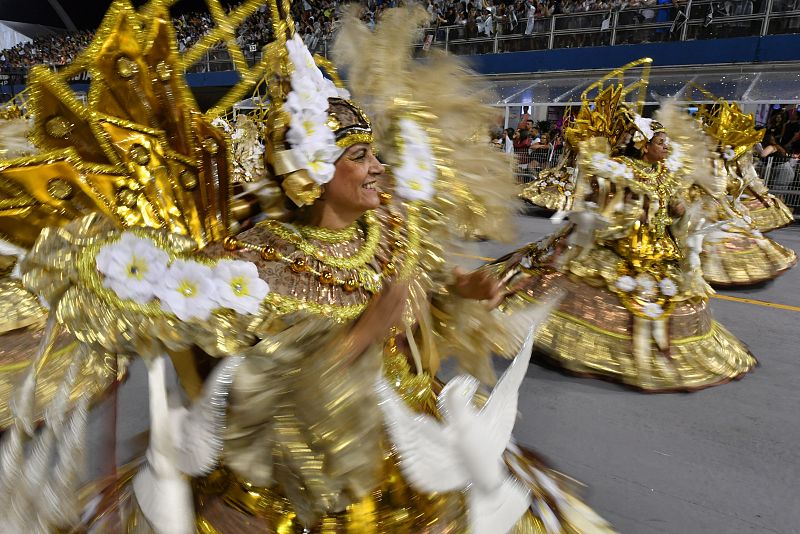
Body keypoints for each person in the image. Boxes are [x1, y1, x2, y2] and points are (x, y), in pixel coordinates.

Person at [0, 3, 615, 533]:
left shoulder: (392, 228)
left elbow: (418, 326)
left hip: (406, 435)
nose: (378, 167)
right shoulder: (259, 260)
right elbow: (251, 392)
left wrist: (461, 298)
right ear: (316, 172)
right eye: (359, 156)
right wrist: (363, 333)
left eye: (374, 153)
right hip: (303, 472)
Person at [487, 67, 757, 392]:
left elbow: (673, 205)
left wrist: (682, 213)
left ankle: (658, 354)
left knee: (671, 297)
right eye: (661, 142)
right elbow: (603, 200)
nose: (666, 147)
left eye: (667, 143)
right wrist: (626, 212)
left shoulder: (666, 172)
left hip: (658, 248)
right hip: (618, 242)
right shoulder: (623, 169)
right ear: (644, 145)